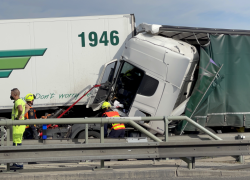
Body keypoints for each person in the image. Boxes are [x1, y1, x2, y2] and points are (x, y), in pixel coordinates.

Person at [10, 88, 30, 169]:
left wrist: (19, 116)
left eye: (11, 94)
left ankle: (19, 163)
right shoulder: (21, 101)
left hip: (17, 125)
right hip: (21, 125)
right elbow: (28, 107)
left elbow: (20, 109)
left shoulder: (18, 102)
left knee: (17, 144)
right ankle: (17, 162)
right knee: (18, 142)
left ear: (15, 95)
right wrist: (23, 115)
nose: (10, 96)